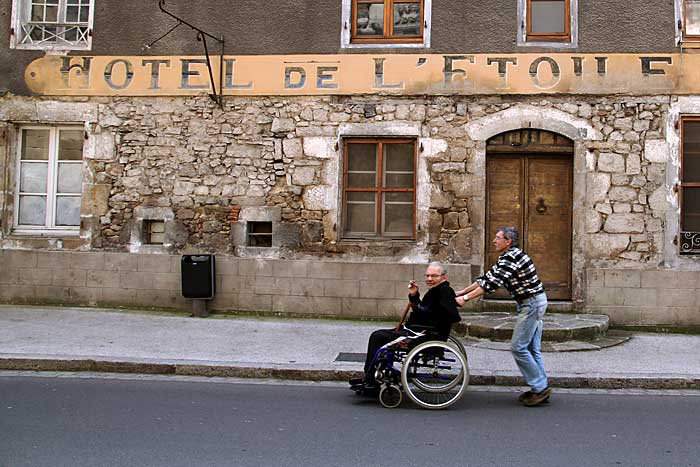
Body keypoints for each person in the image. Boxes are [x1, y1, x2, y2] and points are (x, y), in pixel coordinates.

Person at [455, 226, 551, 407]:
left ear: (508, 241)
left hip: (531, 304)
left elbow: (493, 283)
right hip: (533, 302)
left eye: (498, 238)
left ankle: (539, 387)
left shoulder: (511, 257)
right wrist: (462, 291)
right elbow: (486, 278)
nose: (494, 240)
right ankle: (540, 386)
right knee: (531, 348)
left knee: (519, 347)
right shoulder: (507, 256)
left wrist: (465, 299)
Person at [350, 262, 462, 394]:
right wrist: (414, 295)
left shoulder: (444, 291)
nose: (429, 279)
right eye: (427, 276)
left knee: (378, 337)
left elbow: (447, 315)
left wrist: (432, 317)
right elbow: (422, 310)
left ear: (444, 277)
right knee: (381, 336)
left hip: (423, 335)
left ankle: (371, 381)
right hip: (418, 331)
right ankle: (372, 376)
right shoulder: (436, 291)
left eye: (434, 276)